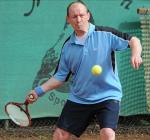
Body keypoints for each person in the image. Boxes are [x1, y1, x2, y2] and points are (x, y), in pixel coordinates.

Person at [26, 1, 142, 140]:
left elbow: (133, 40)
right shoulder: (67, 47)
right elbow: (60, 76)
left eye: (81, 15)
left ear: (88, 15)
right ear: (68, 20)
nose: (78, 19)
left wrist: (135, 54)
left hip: (108, 95)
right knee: (60, 135)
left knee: (107, 133)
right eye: (74, 16)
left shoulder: (105, 34)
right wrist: (38, 91)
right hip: (80, 98)